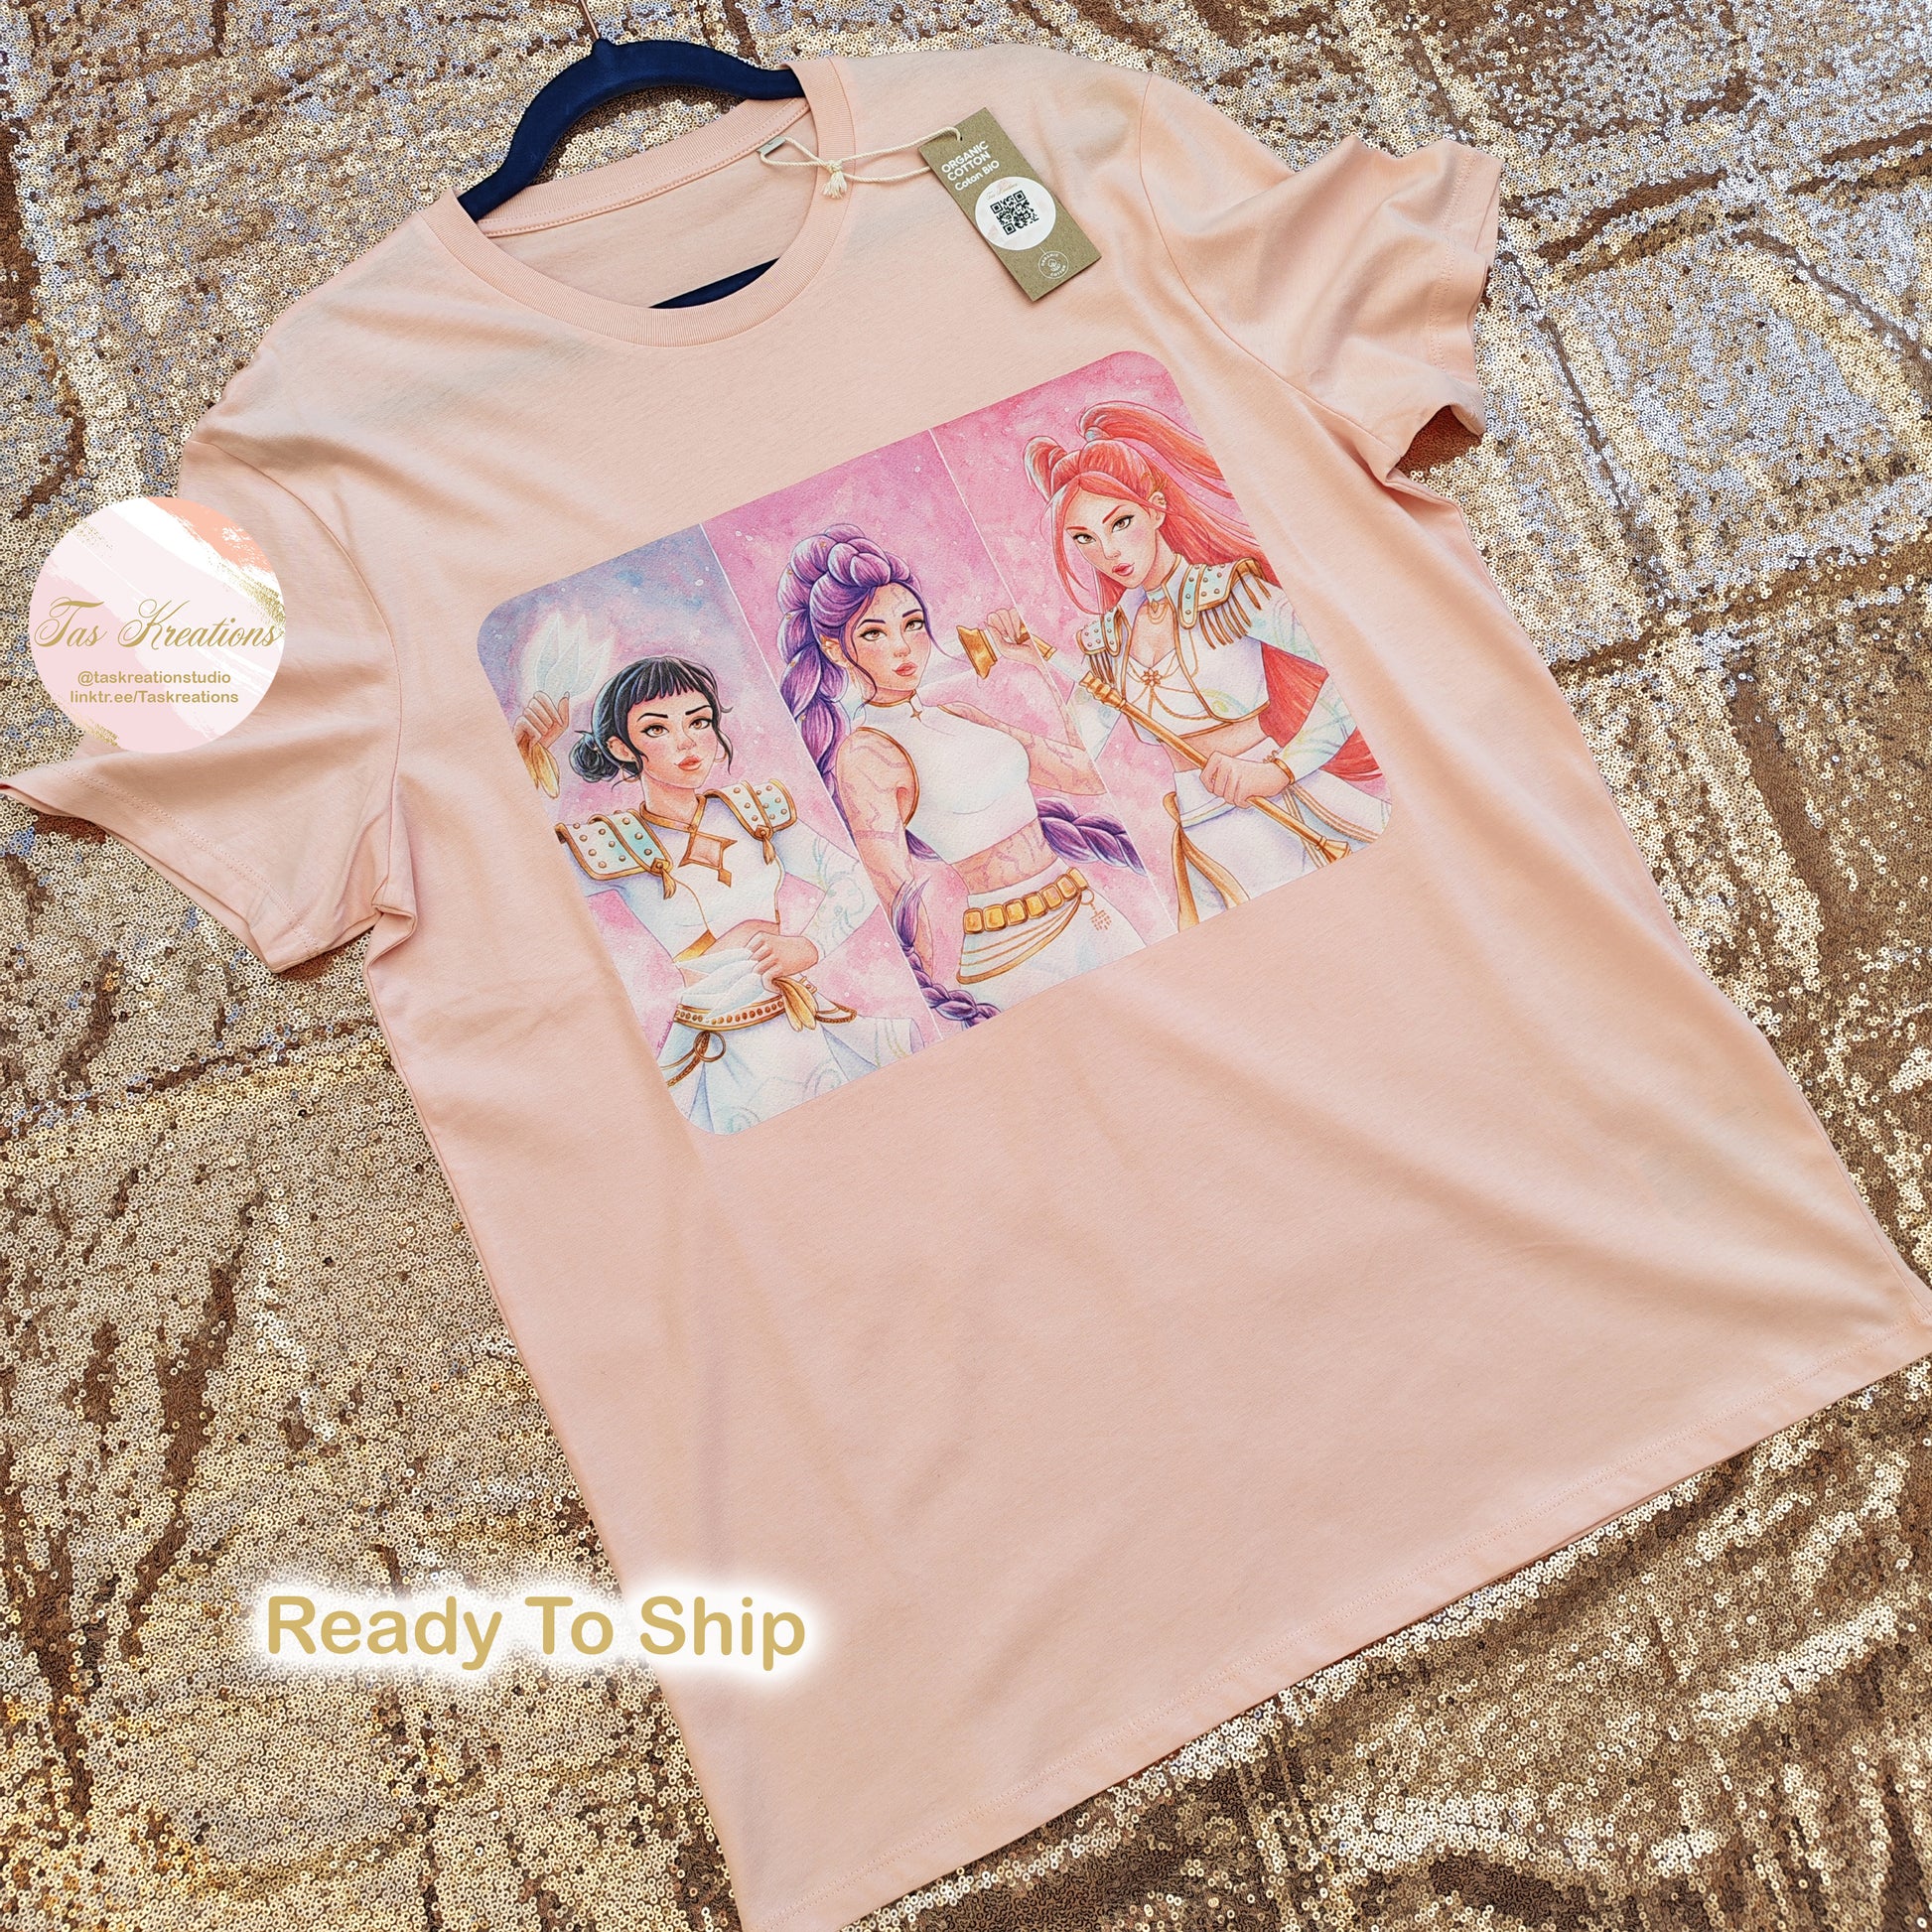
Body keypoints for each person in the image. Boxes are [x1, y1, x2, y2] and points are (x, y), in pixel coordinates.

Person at [515, 654, 918, 1133]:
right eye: (657, 729)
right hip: (716, 1042)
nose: (686, 742)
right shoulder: (612, 842)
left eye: (699, 721)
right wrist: (520, 765)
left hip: (801, 1016)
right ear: (622, 747)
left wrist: (809, 946)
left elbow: (854, 878)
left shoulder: (754, 810)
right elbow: (520, 886)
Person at [1027, 401, 1392, 925]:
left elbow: (1354, 659)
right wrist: (1022, 673)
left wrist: (1280, 770)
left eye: (1121, 523)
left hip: (1291, 805)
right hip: (1203, 831)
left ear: (1155, 509)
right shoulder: (1107, 642)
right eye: (1084, 538)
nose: (1109, 552)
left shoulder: (1228, 593)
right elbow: (1079, 766)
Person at [776, 525, 1146, 1020]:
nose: (903, 647)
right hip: (1011, 953)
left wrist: (1036, 664)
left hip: (1089, 909)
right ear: (836, 649)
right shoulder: (864, 754)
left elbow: (1087, 776)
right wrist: (936, 994)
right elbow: (897, 892)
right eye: (874, 633)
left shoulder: (959, 714)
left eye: (912, 624)